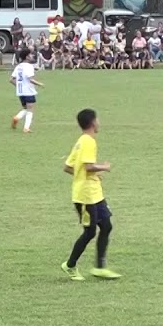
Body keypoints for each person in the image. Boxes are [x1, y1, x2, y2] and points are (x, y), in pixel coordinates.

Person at [61, 108, 119, 281]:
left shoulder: (80, 141)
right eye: (98, 119)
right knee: (90, 232)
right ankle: (70, 265)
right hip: (85, 196)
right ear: (93, 122)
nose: (99, 122)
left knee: (107, 225)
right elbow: (87, 166)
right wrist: (104, 167)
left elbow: (68, 167)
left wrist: (91, 174)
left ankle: (100, 267)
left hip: (95, 193)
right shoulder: (88, 142)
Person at [10, 49, 44, 133]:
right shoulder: (29, 66)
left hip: (20, 92)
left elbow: (11, 80)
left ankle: (17, 118)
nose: (32, 56)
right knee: (30, 109)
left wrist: (19, 86)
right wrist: (40, 84)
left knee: (26, 108)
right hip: (28, 91)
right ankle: (26, 127)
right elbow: (31, 79)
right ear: (27, 56)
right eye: (31, 54)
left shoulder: (18, 66)